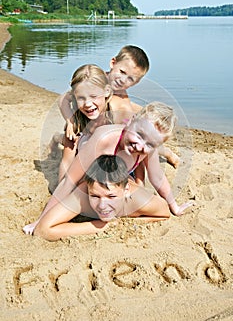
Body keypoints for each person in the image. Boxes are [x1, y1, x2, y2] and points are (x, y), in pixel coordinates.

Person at [23, 101, 192, 239]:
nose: (140, 145)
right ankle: (61, 138)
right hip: (87, 159)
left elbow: (158, 178)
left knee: (138, 172)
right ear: (131, 121)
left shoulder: (144, 148)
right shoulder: (104, 138)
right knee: (72, 146)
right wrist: (40, 219)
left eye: (150, 144)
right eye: (139, 135)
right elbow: (70, 180)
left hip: (117, 173)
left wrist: (174, 206)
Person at [58, 45, 179, 168]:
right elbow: (63, 98)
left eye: (130, 78)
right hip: (84, 123)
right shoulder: (95, 79)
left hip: (105, 128)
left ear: (136, 82)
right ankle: (58, 138)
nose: (122, 80)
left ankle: (167, 153)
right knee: (70, 136)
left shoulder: (122, 102)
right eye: (122, 72)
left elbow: (128, 123)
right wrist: (70, 120)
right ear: (113, 63)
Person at [32, 155, 170, 241]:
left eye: (111, 196)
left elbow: (165, 214)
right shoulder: (83, 195)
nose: (102, 205)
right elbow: (42, 230)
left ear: (126, 190)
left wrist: (133, 223)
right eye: (95, 196)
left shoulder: (139, 199)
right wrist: (99, 227)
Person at [54, 63, 135, 181]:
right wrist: (61, 189)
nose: (87, 104)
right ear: (75, 97)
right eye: (81, 98)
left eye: (93, 96)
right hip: (89, 159)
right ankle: (57, 138)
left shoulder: (118, 116)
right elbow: (66, 163)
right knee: (68, 137)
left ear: (107, 91)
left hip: (115, 162)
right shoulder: (77, 123)